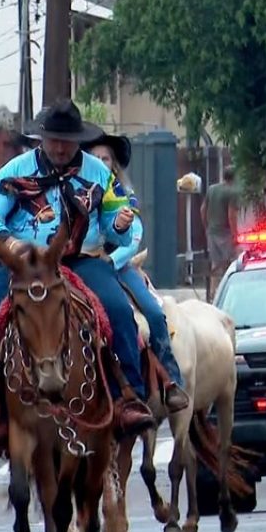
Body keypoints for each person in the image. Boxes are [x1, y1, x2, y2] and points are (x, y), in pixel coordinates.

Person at [0, 99, 188, 445]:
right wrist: (12, 245)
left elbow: (117, 224)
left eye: (66, 140)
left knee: (118, 312)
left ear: (78, 140)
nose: (59, 147)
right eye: (53, 139)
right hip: (24, 267)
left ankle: (127, 397)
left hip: (80, 259)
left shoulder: (98, 173)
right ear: (42, 138)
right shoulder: (14, 171)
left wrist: (118, 222)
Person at [82, 132, 188, 402]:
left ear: (114, 164)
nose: (100, 162)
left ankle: (172, 380)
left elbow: (134, 236)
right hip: (81, 265)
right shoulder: (76, 191)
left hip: (117, 267)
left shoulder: (122, 194)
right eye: (94, 158)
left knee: (153, 313)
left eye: (105, 158)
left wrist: (111, 260)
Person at [202, 166, 240, 297]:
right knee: (228, 263)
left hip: (212, 232)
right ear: (235, 177)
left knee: (215, 263)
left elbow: (203, 209)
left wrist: (207, 226)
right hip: (225, 233)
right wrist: (235, 236)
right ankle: (227, 293)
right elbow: (231, 215)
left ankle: (213, 293)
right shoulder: (232, 192)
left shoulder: (212, 189)